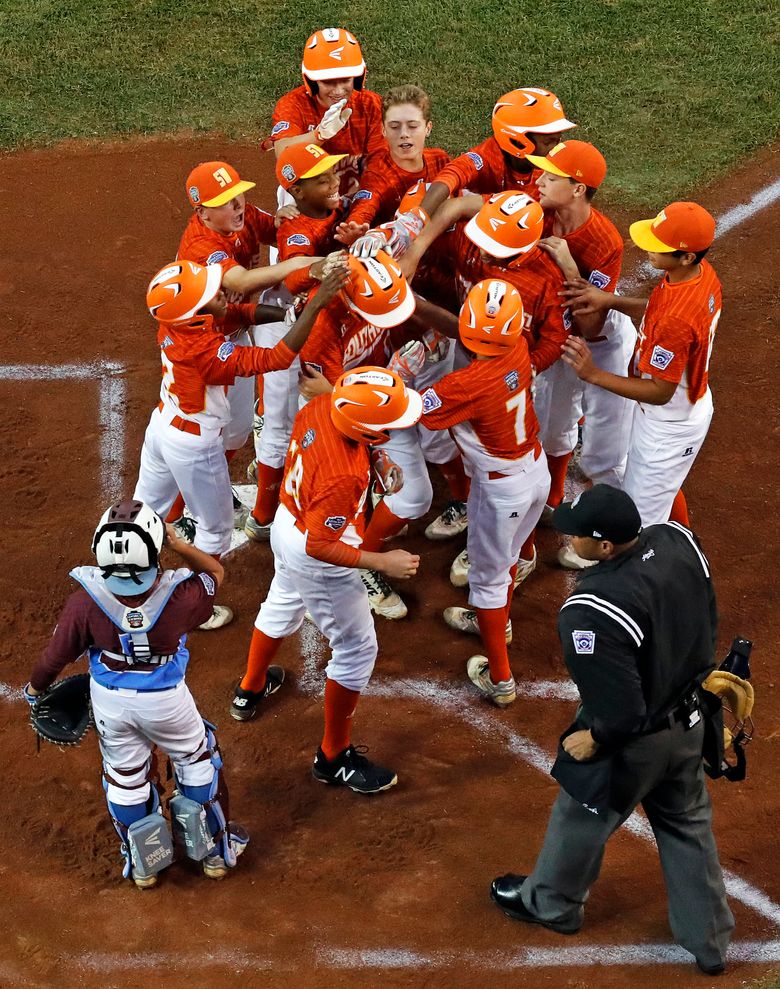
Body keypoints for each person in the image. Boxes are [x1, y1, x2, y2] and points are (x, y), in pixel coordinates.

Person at [490, 484, 734, 976]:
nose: (569, 538)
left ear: (604, 547)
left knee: (580, 813)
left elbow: (620, 711)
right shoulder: (675, 540)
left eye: (577, 535)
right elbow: (708, 618)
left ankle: (551, 905)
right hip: (690, 719)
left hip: (636, 741)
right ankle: (709, 941)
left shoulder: (592, 608)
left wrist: (595, 737)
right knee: (687, 824)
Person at [24, 500, 249, 887]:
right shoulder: (180, 598)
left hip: (110, 701)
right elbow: (215, 571)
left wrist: (33, 691)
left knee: (125, 778)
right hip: (167, 702)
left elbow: (53, 659)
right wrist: (180, 546)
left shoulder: (84, 603)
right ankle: (213, 853)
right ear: (156, 549)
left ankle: (146, 866)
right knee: (197, 759)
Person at [230, 367, 422, 795]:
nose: (392, 429)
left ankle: (251, 687)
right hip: (317, 552)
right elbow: (321, 545)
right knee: (357, 649)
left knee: (281, 601)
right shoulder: (343, 477)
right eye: (385, 426)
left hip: (288, 521)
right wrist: (381, 562)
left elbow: (347, 431)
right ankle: (333, 757)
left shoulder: (320, 406)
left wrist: (378, 460)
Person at [133, 260, 346, 628]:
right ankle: (195, 608)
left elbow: (237, 312)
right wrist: (314, 306)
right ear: (197, 313)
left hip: (162, 428)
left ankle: (121, 584)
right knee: (214, 530)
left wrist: (285, 312)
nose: (219, 292)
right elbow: (277, 358)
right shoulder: (206, 353)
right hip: (193, 446)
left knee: (142, 512)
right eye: (208, 294)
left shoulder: (175, 324)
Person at [403, 278, 550, 704]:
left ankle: (501, 679)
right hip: (533, 473)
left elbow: (412, 411)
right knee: (505, 564)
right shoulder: (519, 345)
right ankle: (495, 616)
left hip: (502, 490)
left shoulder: (465, 385)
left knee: (486, 580)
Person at [176, 159, 320, 532]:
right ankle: (177, 511)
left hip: (234, 334)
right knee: (199, 436)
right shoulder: (201, 244)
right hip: (201, 350)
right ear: (202, 213)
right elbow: (241, 280)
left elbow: (275, 229)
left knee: (237, 431)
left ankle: (207, 488)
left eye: (238, 196)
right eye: (225, 202)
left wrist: (289, 217)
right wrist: (300, 265)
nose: (238, 206)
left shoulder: (241, 218)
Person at [561, 201, 721, 529]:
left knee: (640, 524)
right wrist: (610, 300)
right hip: (674, 409)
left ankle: (662, 567)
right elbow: (659, 308)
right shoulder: (699, 276)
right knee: (641, 483)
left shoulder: (677, 318)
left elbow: (659, 391)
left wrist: (594, 374)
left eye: (658, 245)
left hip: (668, 421)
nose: (646, 246)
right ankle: (682, 536)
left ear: (687, 256)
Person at [522, 139, 637, 568]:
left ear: (578, 189)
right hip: (560, 340)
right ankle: (553, 503)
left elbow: (591, 324)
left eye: (552, 176)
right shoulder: (536, 213)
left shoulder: (604, 240)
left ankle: (624, 539)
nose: (540, 180)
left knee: (606, 457)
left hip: (602, 345)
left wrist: (570, 267)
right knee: (551, 431)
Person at [418, 87, 576, 219]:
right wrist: (415, 219)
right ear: (518, 141)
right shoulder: (486, 157)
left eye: (558, 139)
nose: (557, 148)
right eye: (549, 142)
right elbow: (451, 175)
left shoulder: (558, 165)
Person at [269, 28, 387, 198]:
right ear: (312, 81)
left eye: (346, 80)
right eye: (328, 82)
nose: (338, 91)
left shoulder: (372, 105)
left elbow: (380, 163)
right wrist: (319, 135)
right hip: (312, 197)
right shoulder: (293, 104)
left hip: (360, 193)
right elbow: (283, 154)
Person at [340, 84, 450, 231]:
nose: (404, 134)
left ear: (428, 128)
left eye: (412, 126)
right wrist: (355, 226)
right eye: (394, 127)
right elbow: (364, 205)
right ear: (383, 130)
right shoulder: (378, 173)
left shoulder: (440, 159)